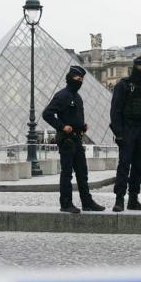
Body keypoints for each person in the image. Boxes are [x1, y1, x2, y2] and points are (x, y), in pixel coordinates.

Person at [42, 65, 105, 213]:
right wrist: (62, 126)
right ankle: (66, 203)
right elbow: (47, 114)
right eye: (78, 78)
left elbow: (75, 117)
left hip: (77, 139)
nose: (80, 81)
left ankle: (87, 202)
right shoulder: (62, 95)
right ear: (70, 78)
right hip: (67, 140)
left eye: (82, 79)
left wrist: (83, 126)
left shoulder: (78, 97)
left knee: (82, 173)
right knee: (67, 173)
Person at [109, 56, 141, 212]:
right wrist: (118, 133)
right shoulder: (123, 85)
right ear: (134, 68)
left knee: (139, 167)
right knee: (124, 166)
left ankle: (133, 199)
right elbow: (115, 111)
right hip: (127, 130)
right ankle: (119, 199)